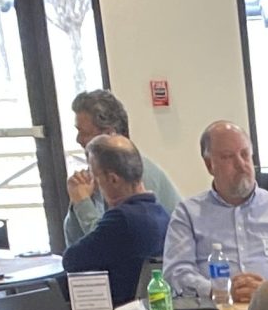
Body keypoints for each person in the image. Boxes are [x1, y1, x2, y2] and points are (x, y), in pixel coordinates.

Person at [163, 121, 268, 303]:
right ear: (209, 165)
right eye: (228, 157)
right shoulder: (188, 214)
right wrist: (220, 291)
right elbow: (175, 273)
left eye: (245, 154)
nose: (241, 164)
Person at [61, 135, 172, 307]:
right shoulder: (160, 212)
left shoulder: (122, 220)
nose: (94, 185)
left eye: (95, 176)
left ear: (113, 179)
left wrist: (81, 201)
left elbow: (71, 260)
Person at [63, 87, 180, 244]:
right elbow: (75, 244)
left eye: (83, 132)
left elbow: (111, 243)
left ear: (109, 134)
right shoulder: (97, 175)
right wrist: (77, 199)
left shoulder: (137, 173)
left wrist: (82, 203)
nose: (78, 139)